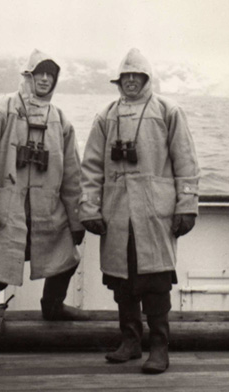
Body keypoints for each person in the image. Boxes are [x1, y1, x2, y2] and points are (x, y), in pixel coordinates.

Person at [79, 48, 200, 374]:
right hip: (117, 214)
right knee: (123, 282)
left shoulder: (168, 110)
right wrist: (89, 208)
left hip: (154, 213)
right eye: (125, 77)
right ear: (119, 81)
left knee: (156, 282)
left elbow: (186, 163)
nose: (131, 81)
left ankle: (160, 347)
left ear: (147, 79)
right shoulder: (106, 115)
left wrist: (186, 205)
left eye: (137, 76)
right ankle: (130, 342)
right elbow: (90, 167)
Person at [0, 49, 87, 369]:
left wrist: (76, 218)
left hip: (46, 208)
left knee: (67, 256)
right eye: (39, 73)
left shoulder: (60, 120)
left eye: (51, 74)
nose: (45, 79)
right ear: (28, 75)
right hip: (9, 208)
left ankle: (53, 306)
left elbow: (73, 174)